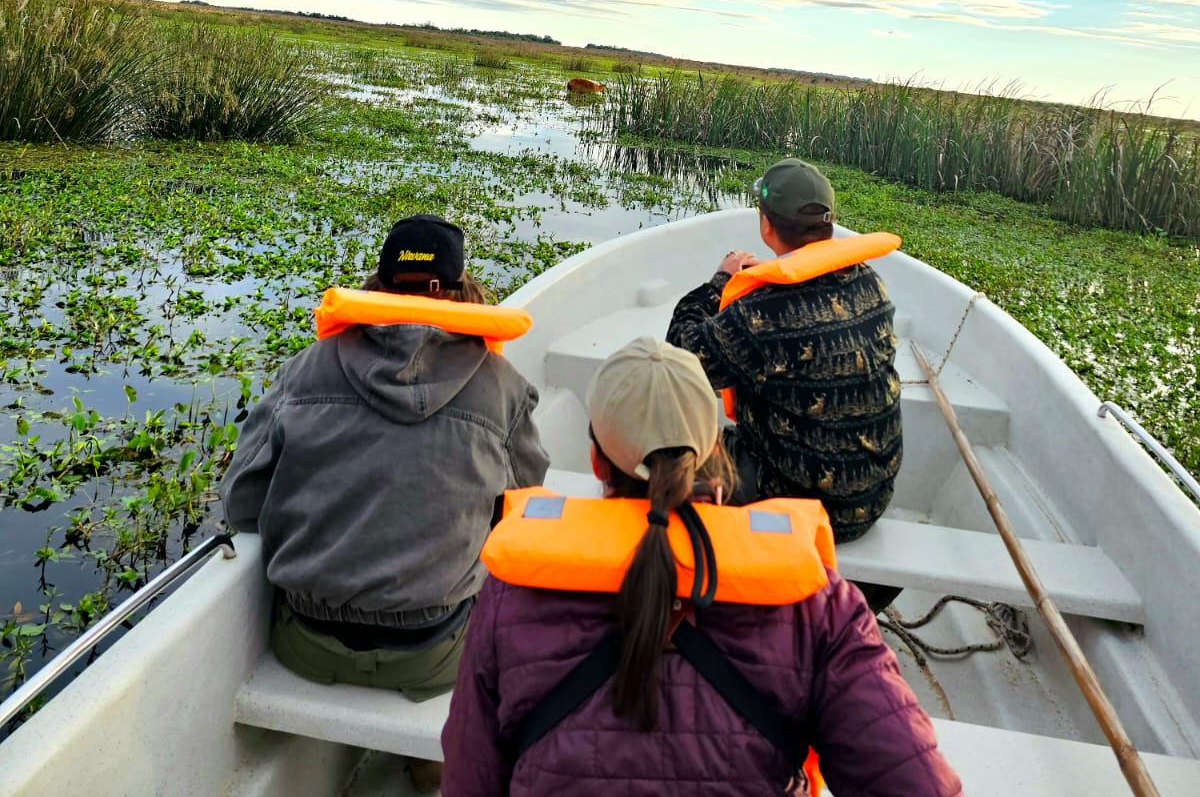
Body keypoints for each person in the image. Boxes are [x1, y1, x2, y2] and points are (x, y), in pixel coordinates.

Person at [440, 337, 960, 797]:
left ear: (596, 461)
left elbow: (470, 779)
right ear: (713, 448)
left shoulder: (509, 597)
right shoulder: (819, 607)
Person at [221, 214, 549, 786]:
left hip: (306, 642)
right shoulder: (503, 386)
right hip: (431, 655)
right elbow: (524, 511)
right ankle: (433, 765)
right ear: (450, 289)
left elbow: (242, 501)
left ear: (379, 281)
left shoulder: (304, 370)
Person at [666, 159, 902, 549]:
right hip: (868, 501)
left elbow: (680, 359)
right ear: (829, 222)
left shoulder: (762, 312)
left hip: (793, 501)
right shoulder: (870, 284)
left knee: (667, 439)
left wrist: (720, 283)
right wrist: (775, 274)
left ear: (765, 225)